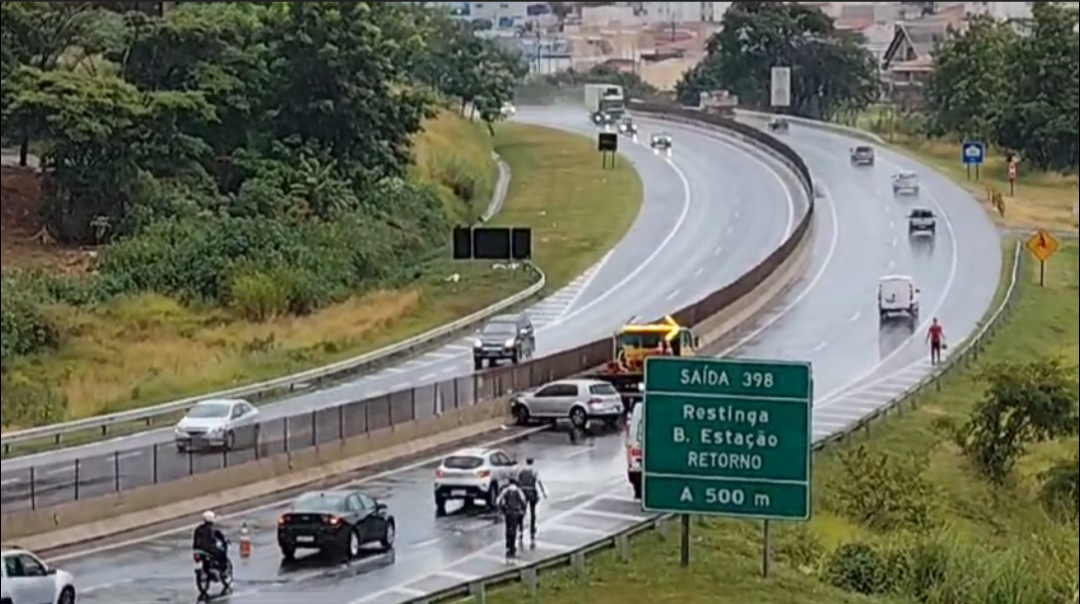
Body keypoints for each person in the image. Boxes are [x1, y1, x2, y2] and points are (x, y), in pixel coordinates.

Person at [516, 458, 547, 543]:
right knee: (532, 511)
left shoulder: (521, 471)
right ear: (532, 462)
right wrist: (543, 492)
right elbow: (539, 482)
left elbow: (518, 481)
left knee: (522, 511)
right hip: (531, 492)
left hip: (523, 492)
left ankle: (520, 529)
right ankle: (532, 528)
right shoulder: (534, 471)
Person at [495, 477, 527, 559]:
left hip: (508, 512)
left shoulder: (505, 490)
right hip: (515, 512)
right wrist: (523, 510)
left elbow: (498, 500)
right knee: (514, 529)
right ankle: (512, 547)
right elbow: (523, 500)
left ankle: (508, 544)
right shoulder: (518, 491)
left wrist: (500, 509)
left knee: (507, 528)